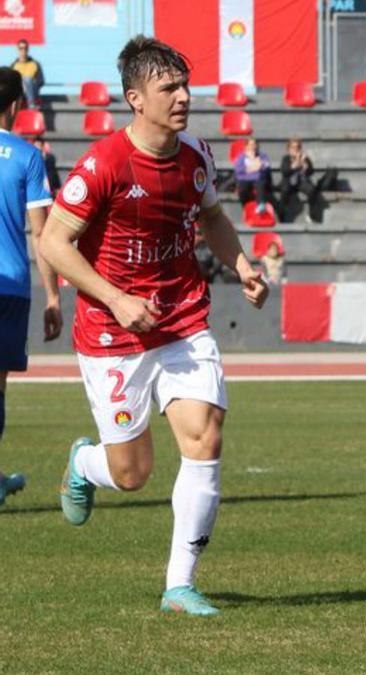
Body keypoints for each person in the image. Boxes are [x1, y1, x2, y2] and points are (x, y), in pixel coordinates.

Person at [39, 36, 269, 616]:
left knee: (205, 436)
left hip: (183, 319)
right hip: (112, 332)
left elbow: (213, 219)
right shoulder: (103, 165)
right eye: (169, 88)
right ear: (136, 99)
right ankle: (83, 464)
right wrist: (116, 298)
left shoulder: (197, 154)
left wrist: (242, 265)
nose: (185, 97)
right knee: (132, 473)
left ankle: (179, 585)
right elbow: (53, 241)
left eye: (186, 85)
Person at [0, 67, 59, 507]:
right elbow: (43, 235)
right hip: (11, 286)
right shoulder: (28, 156)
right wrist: (54, 296)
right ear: (17, 106)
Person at [280, 137, 324, 224]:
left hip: (301, 182)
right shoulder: (286, 159)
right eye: (293, 147)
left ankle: (312, 215)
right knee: (284, 190)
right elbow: (285, 172)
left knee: (312, 190)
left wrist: (305, 166)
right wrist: (293, 166)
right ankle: (282, 214)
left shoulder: (305, 158)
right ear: (288, 149)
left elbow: (311, 171)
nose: (295, 149)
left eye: (297, 147)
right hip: (289, 182)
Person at [234, 137, 272, 215]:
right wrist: (256, 165)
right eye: (250, 144)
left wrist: (249, 168)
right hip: (245, 179)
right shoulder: (242, 157)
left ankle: (261, 204)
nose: (252, 146)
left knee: (261, 184)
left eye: (254, 144)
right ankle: (246, 206)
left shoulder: (262, 155)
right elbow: (238, 170)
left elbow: (266, 166)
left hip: (258, 179)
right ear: (246, 146)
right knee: (242, 188)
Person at [11, 40, 43, 107]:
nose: (23, 51)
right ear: (17, 49)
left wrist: (31, 82)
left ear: (28, 49)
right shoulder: (14, 65)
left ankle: (31, 104)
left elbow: (41, 81)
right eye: (21, 48)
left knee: (27, 79)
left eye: (25, 48)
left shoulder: (35, 64)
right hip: (20, 92)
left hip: (33, 91)